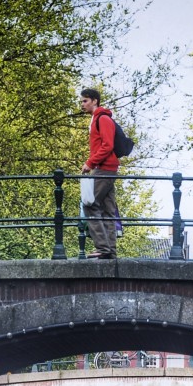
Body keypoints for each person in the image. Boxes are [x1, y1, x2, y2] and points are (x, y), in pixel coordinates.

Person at [79, 87, 120, 259]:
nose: (82, 104)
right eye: (81, 101)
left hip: (104, 168)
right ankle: (109, 250)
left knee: (89, 205)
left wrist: (90, 163)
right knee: (107, 209)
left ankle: (103, 248)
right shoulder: (97, 119)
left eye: (85, 101)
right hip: (107, 168)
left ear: (95, 100)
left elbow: (107, 145)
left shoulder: (102, 119)